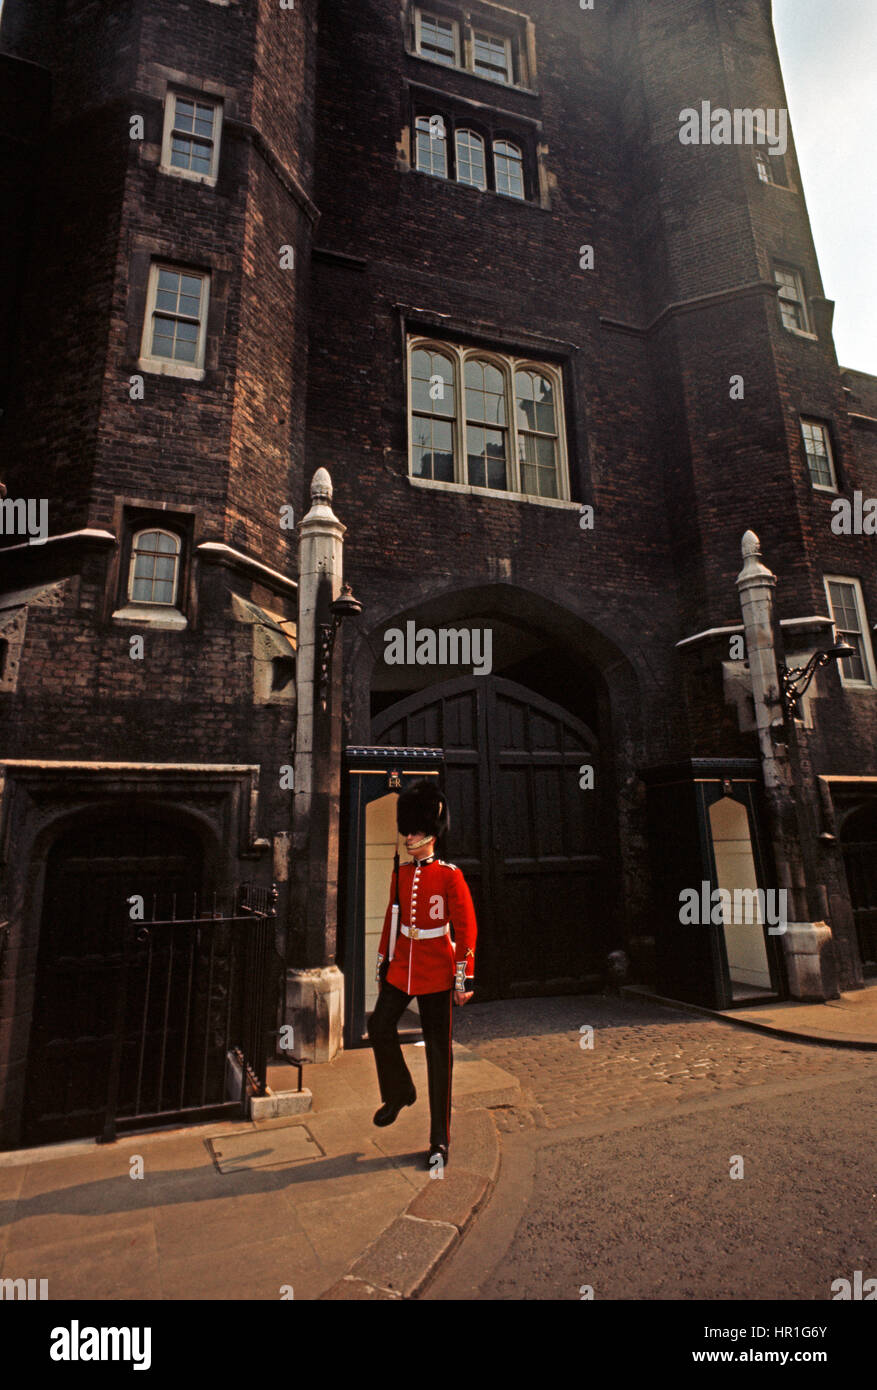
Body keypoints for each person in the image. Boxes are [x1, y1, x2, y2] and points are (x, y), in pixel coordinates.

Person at [367, 779, 477, 1170]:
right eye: (407, 829)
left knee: (438, 1056)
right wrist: (384, 962)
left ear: (431, 832)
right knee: (379, 1026)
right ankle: (399, 1092)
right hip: (403, 966)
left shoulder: (450, 876)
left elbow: (466, 929)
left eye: (415, 830)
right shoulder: (400, 874)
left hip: (438, 970)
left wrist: (464, 978)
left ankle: (439, 1141)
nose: (409, 836)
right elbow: (391, 920)